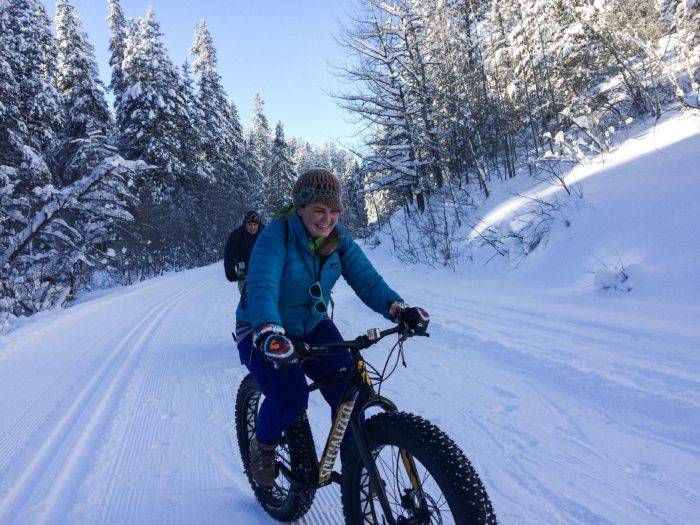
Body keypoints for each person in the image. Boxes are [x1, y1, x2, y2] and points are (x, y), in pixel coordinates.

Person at [235, 168, 429, 487]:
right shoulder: (276, 236)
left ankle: (357, 473)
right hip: (262, 328)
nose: (328, 219)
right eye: (319, 211)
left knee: (350, 391)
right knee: (291, 396)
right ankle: (264, 447)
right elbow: (262, 286)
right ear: (300, 208)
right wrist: (269, 330)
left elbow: (368, 281)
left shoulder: (339, 242)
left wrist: (397, 309)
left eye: (334, 211)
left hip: (311, 324)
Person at [224, 210, 264, 305]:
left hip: (263, 271)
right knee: (248, 300)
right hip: (244, 273)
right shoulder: (236, 235)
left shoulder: (265, 232)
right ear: (245, 224)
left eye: (255, 224)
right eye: (250, 224)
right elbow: (229, 254)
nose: (252, 227)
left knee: (264, 299)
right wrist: (230, 271)